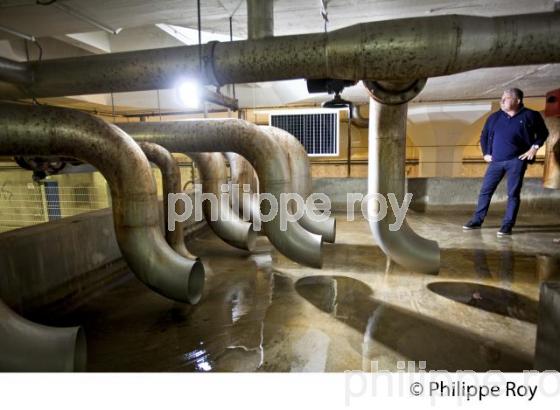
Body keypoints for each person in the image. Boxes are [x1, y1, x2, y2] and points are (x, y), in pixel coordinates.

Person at [463, 88, 549, 236]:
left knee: (513, 194)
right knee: (485, 191)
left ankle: (507, 225)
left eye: (507, 98)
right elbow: (484, 135)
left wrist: (534, 148)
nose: (502, 100)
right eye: (502, 97)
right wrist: (486, 153)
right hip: (495, 161)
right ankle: (477, 220)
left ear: (518, 101)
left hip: (516, 160)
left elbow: (543, 133)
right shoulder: (494, 117)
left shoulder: (530, 115)